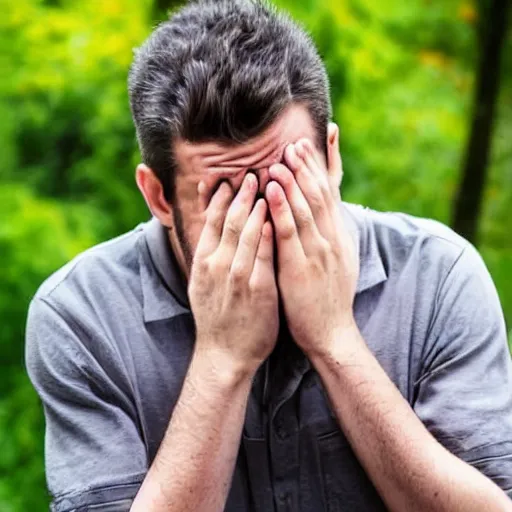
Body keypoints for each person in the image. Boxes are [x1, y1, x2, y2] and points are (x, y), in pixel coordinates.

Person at [25, 0, 512, 510]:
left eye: (287, 182)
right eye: (225, 201)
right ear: (159, 198)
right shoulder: (82, 317)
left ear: (331, 157)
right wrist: (221, 359)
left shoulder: (436, 276)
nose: (264, 221)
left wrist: (335, 339)